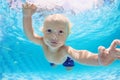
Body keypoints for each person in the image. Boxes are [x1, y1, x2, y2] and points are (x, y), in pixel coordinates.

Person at [22, 3, 120, 70]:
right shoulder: (43, 41)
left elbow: (80, 55)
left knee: (68, 68)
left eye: (60, 32)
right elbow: (30, 35)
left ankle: (65, 63)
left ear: (67, 35)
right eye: (49, 31)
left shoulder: (66, 50)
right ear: (42, 31)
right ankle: (55, 62)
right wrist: (27, 16)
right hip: (52, 58)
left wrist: (98, 60)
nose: (54, 37)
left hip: (65, 59)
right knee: (53, 63)